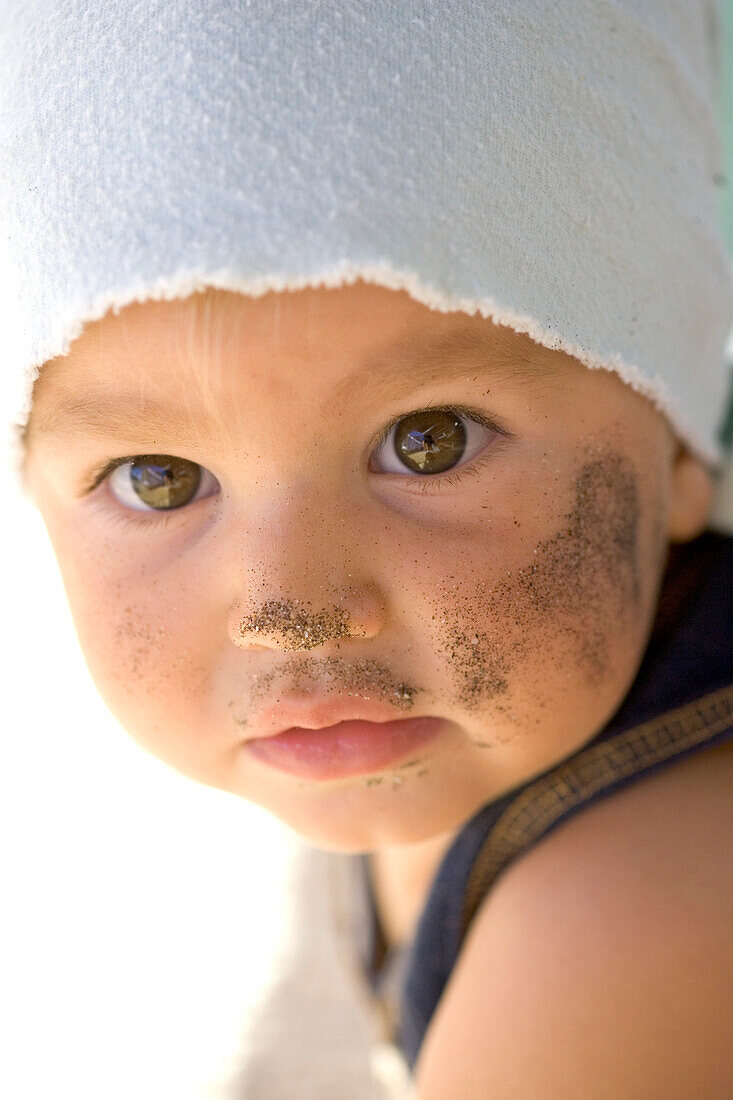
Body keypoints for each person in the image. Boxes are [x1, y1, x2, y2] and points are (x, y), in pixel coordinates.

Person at [3, 2, 732, 1094]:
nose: (290, 606)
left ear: (678, 442)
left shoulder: (637, 907)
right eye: (160, 480)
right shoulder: (449, 725)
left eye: (428, 445)